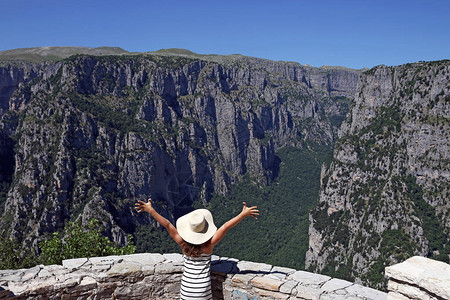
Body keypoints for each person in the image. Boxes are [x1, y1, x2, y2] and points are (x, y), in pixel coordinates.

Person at [135, 197, 259, 300]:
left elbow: (167, 224)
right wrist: (243, 214)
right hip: (202, 290)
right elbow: (226, 226)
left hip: (186, 290)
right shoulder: (208, 245)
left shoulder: (183, 244)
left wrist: (151, 210)